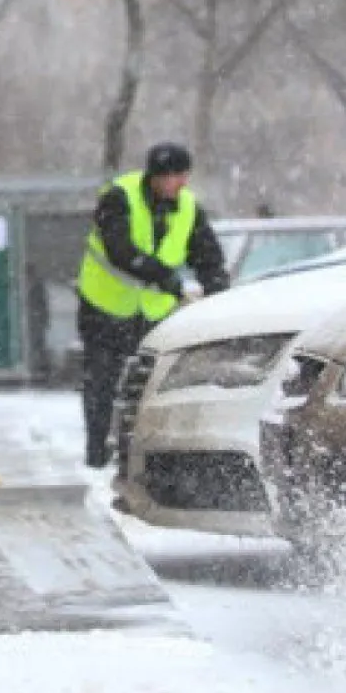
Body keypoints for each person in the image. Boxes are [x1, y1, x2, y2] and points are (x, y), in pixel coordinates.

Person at [77, 142, 229, 468]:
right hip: (104, 307)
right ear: (158, 177)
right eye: (177, 177)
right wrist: (166, 278)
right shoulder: (118, 198)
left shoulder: (188, 208)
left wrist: (217, 294)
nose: (183, 184)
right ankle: (97, 455)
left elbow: (208, 256)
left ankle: (140, 457)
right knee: (101, 382)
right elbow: (120, 250)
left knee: (149, 386)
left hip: (153, 314)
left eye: (185, 176)